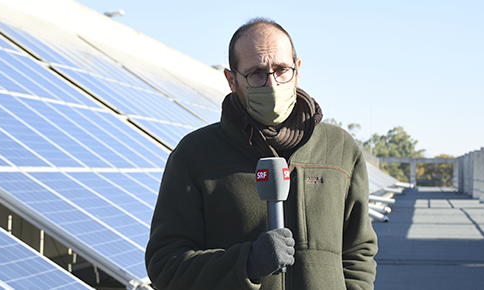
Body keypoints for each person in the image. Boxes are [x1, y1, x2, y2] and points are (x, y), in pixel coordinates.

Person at [145, 18, 378, 290]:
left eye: (281, 70)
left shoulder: (339, 150)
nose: (272, 84)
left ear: (297, 70)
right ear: (232, 80)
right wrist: (246, 263)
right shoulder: (195, 156)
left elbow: (358, 253)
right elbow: (166, 265)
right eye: (256, 73)